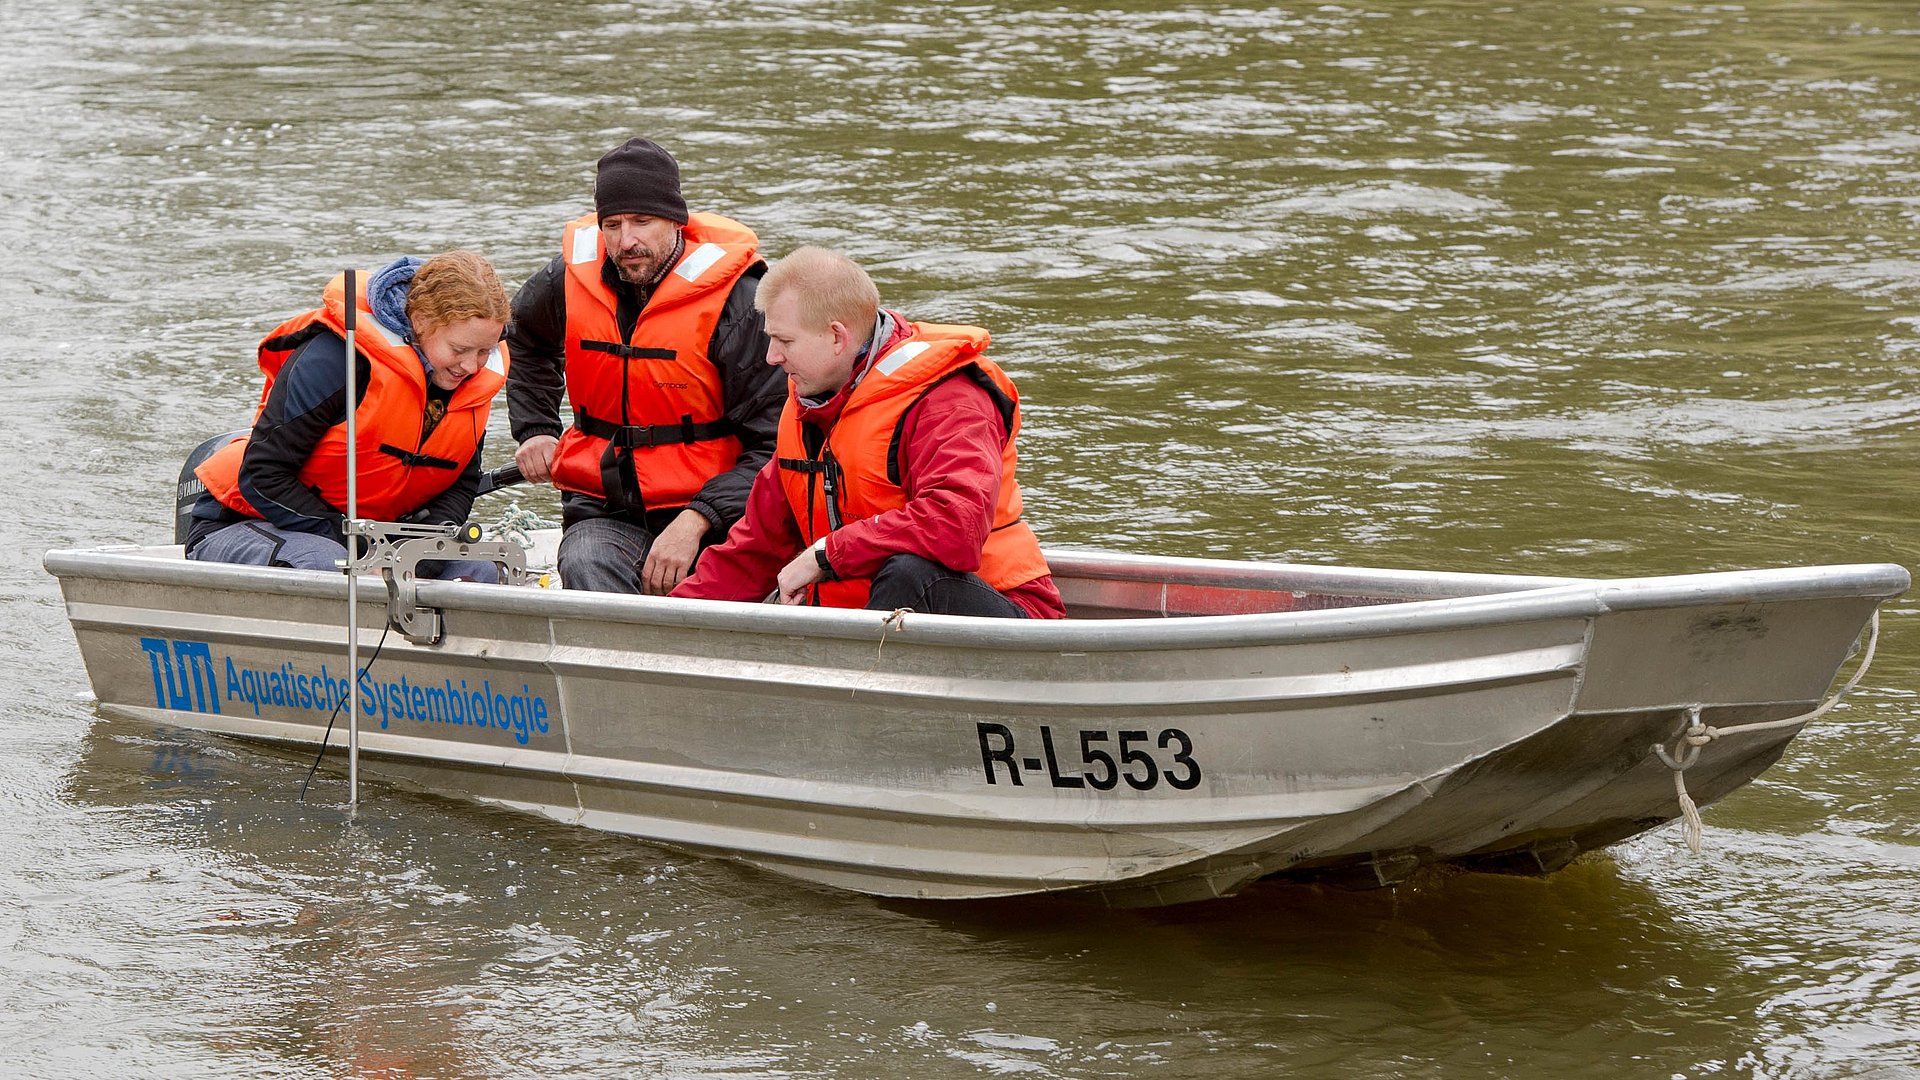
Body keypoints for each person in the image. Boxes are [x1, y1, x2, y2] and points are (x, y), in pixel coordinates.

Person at [672, 246, 1065, 619]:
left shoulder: (948, 399)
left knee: (907, 574)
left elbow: (955, 528)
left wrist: (826, 554)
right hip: (867, 623)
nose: (771, 357)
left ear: (838, 337)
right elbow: (755, 548)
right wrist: (666, 621)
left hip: (1006, 611)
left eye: (784, 341)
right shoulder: (809, 403)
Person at [505, 137, 785, 595]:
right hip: (605, 509)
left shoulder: (740, 301)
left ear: (675, 220)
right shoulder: (567, 278)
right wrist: (535, 427)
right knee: (585, 560)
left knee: (721, 593)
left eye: (642, 221)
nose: (626, 240)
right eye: (612, 225)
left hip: (720, 516)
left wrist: (698, 520)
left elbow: (774, 445)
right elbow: (524, 341)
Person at [186, 251, 511, 582]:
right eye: (458, 350)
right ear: (421, 321)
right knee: (330, 566)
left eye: (484, 352)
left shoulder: (467, 384)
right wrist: (359, 548)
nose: (471, 367)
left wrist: (423, 552)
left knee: (477, 570)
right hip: (246, 522)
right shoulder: (335, 360)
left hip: (374, 538)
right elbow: (263, 475)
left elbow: (461, 483)